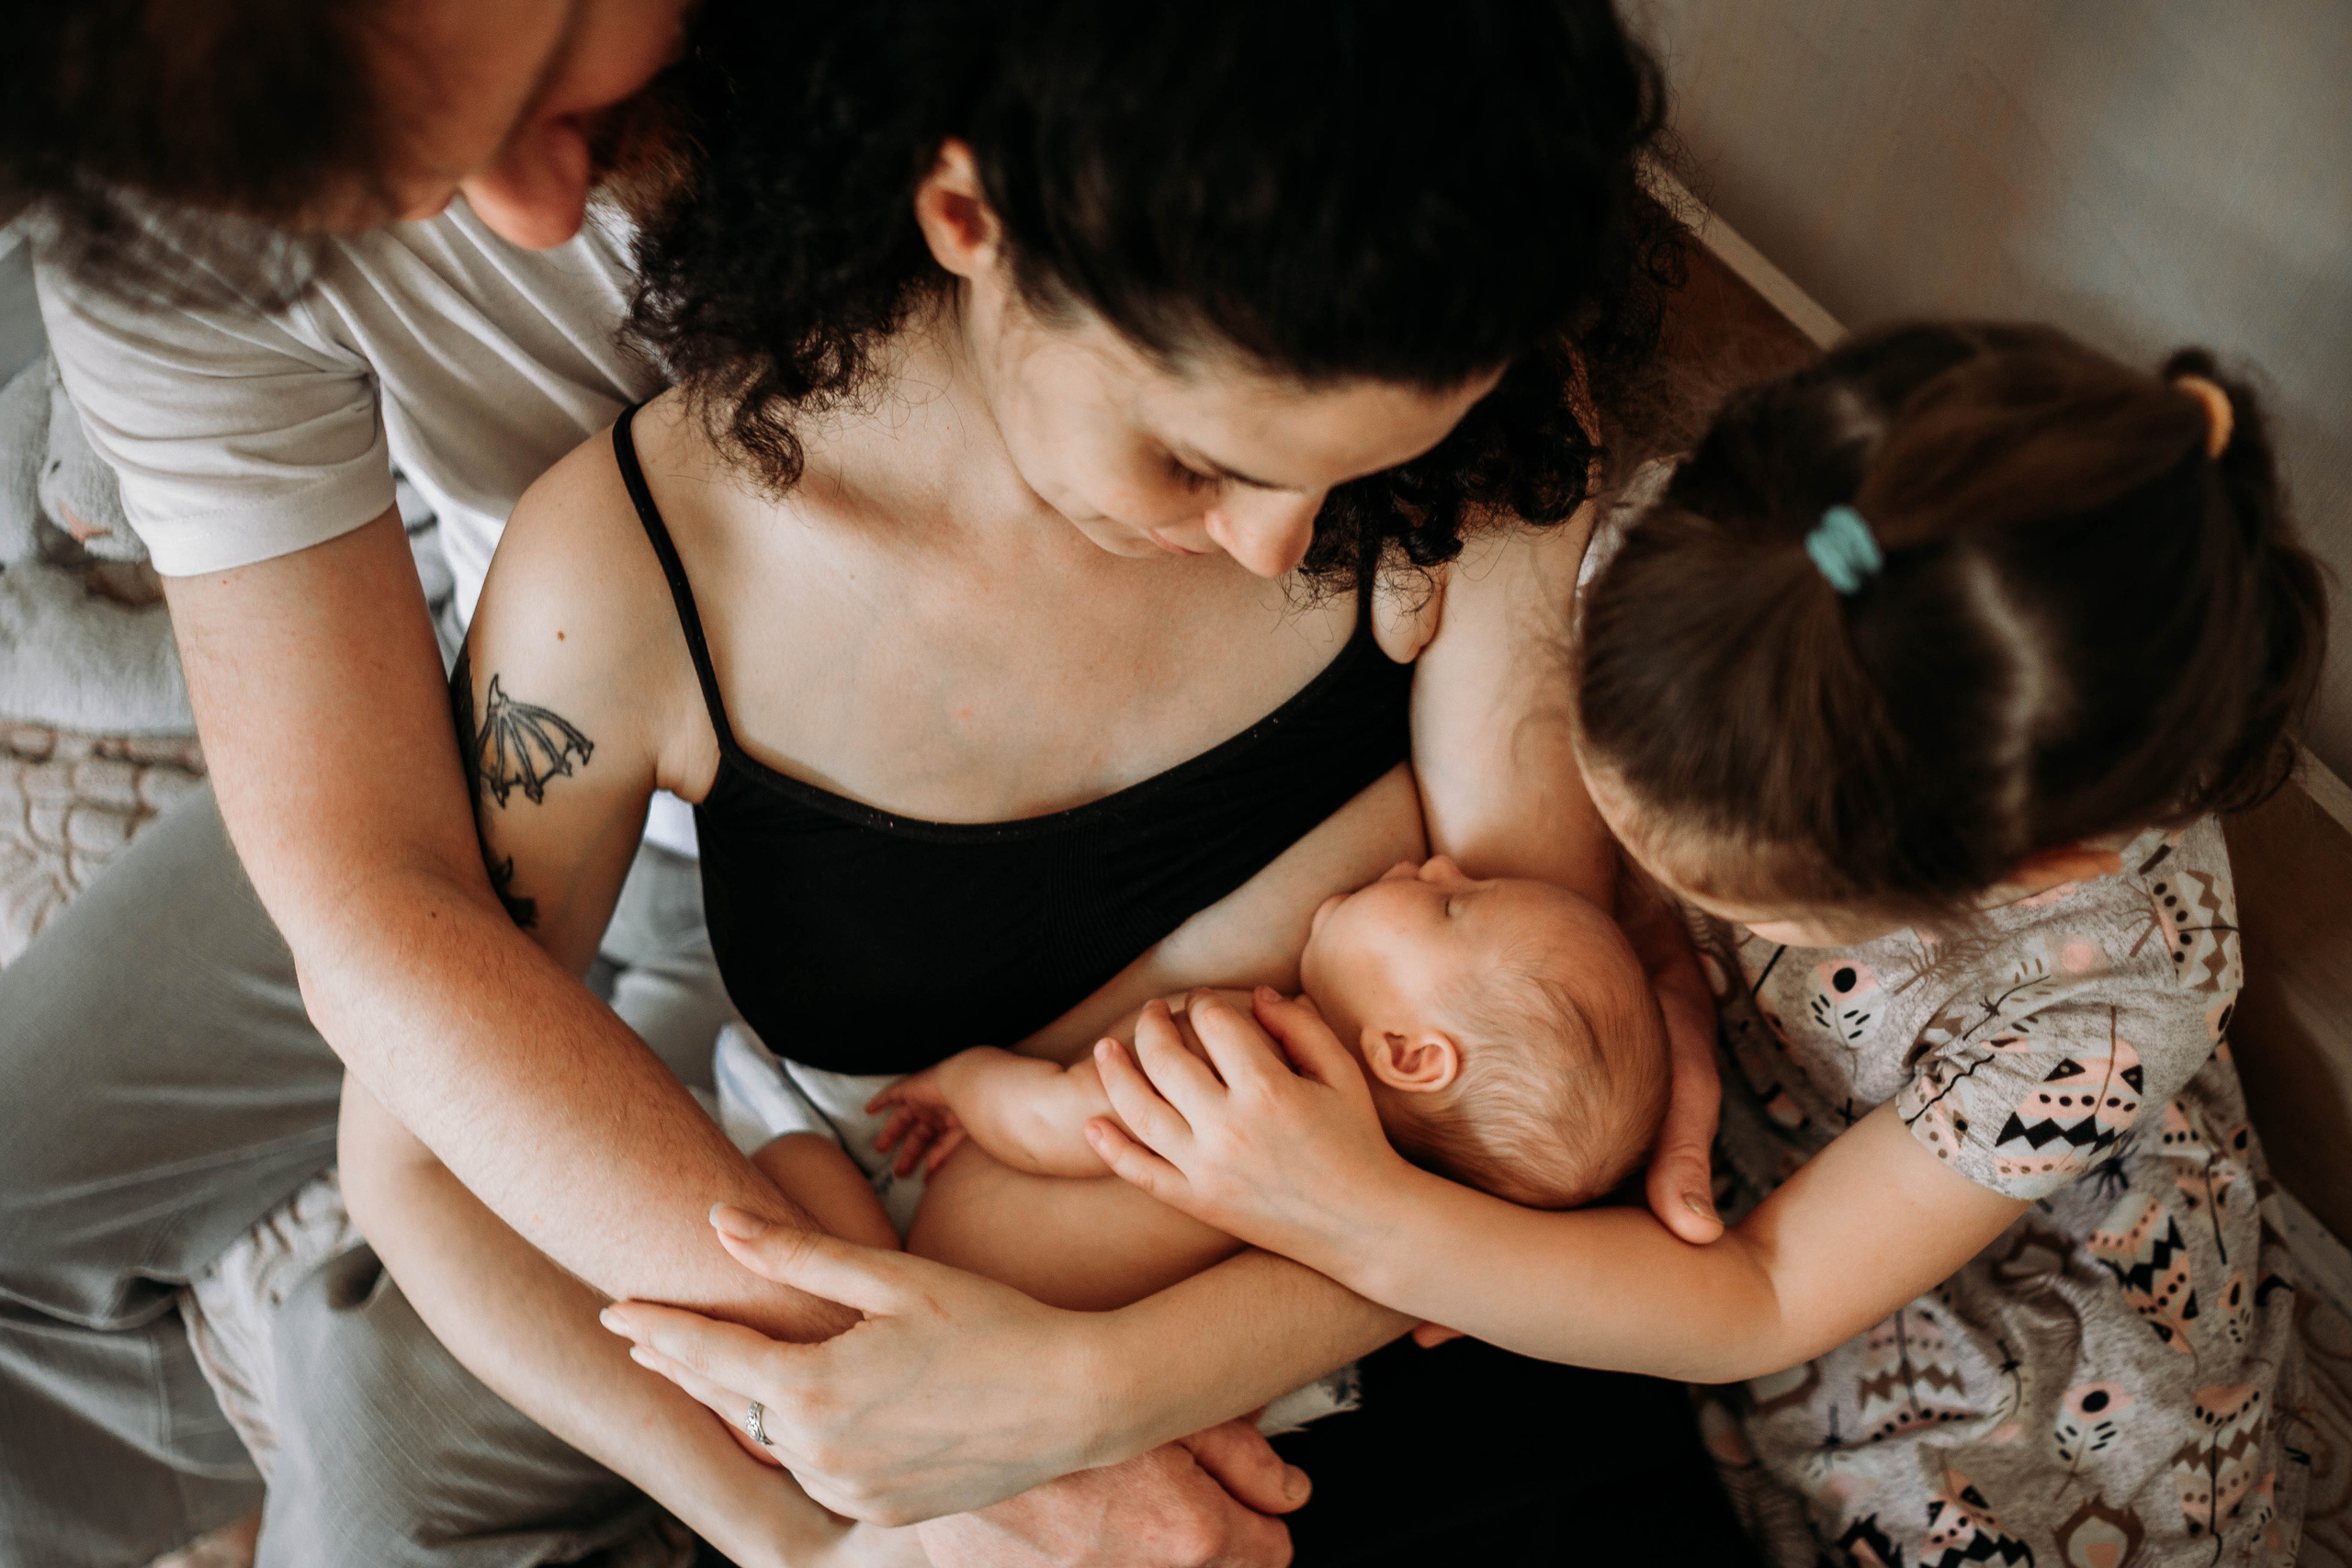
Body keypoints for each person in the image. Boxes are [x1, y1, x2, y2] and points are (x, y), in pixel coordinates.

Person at [0, 2, 1733, 1566]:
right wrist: (848, 1498)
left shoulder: (1436, 396)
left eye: (540, 93)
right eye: (1202, 461)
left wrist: (1093, 1385)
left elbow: (1523, 1104)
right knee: (364, 1431)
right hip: (644, 807)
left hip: (1400, 1357)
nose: (537, 214)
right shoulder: (622, 576)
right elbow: (394, 991)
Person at [917, 321, 2326, 1564]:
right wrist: (1652, 965)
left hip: (1965, 1292)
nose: (1640, 869)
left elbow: (1765, 1292)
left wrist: (1361, 1209)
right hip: (1692, 1142)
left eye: (1735, 891)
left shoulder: (2110, 986)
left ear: (2027, 865)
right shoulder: (1719, 556)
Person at [748, 854, 1668, 1309]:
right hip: (1037, 1308)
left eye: (1448, 904)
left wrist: (963, 1079)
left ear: (1411, 1056)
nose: (1436, 862)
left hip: (934, 1269)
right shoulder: (1387, 1192)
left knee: (772, 1143)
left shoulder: (1239, 1066)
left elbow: (1056, 1120)